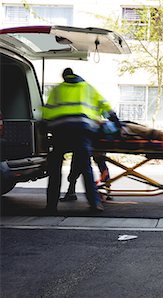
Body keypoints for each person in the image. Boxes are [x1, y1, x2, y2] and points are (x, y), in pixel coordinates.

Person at [59, 122, 163, 202]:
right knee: (148, 133)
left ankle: (84, 191)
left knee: (85, 163)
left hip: (112, 131)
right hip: (115, 132)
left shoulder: (76, 121)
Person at [42, 68, 121, 212]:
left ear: (64, 77)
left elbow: (46, 113)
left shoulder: (57, 90)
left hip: (60, 131)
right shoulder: (88, 88)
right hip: (82, 130)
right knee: (86, 167)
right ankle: (94, 203)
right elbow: (105, 106)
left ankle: (51, 206)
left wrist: (45, 128)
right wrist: (116, 121)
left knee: (55, 168)